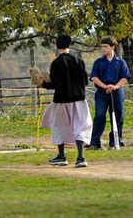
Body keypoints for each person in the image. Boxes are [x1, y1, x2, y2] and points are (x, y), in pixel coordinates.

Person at [38, 34, 92, 168]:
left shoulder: (56, 63)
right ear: (69, 45)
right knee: (81, 126)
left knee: (60, 127)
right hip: (79, 99)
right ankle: (81, 158)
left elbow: (56, 84)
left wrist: (43, 84)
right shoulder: (79, 61)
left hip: (61, 100)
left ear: (57, 46)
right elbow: (85, 81)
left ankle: (61, 156)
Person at [88, 36, 131, 150]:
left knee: (118, 116)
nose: (103, 49)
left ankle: (115, 141)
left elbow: (125, 78)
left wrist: (115, 86)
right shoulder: (98, 62)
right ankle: (95, 143)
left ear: (113, 47)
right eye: (102, 47)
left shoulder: (121, 62)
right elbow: (94, 77)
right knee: (99, 116)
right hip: (102, 93)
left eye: (105, 46)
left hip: (117, 93)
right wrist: (105, 86)